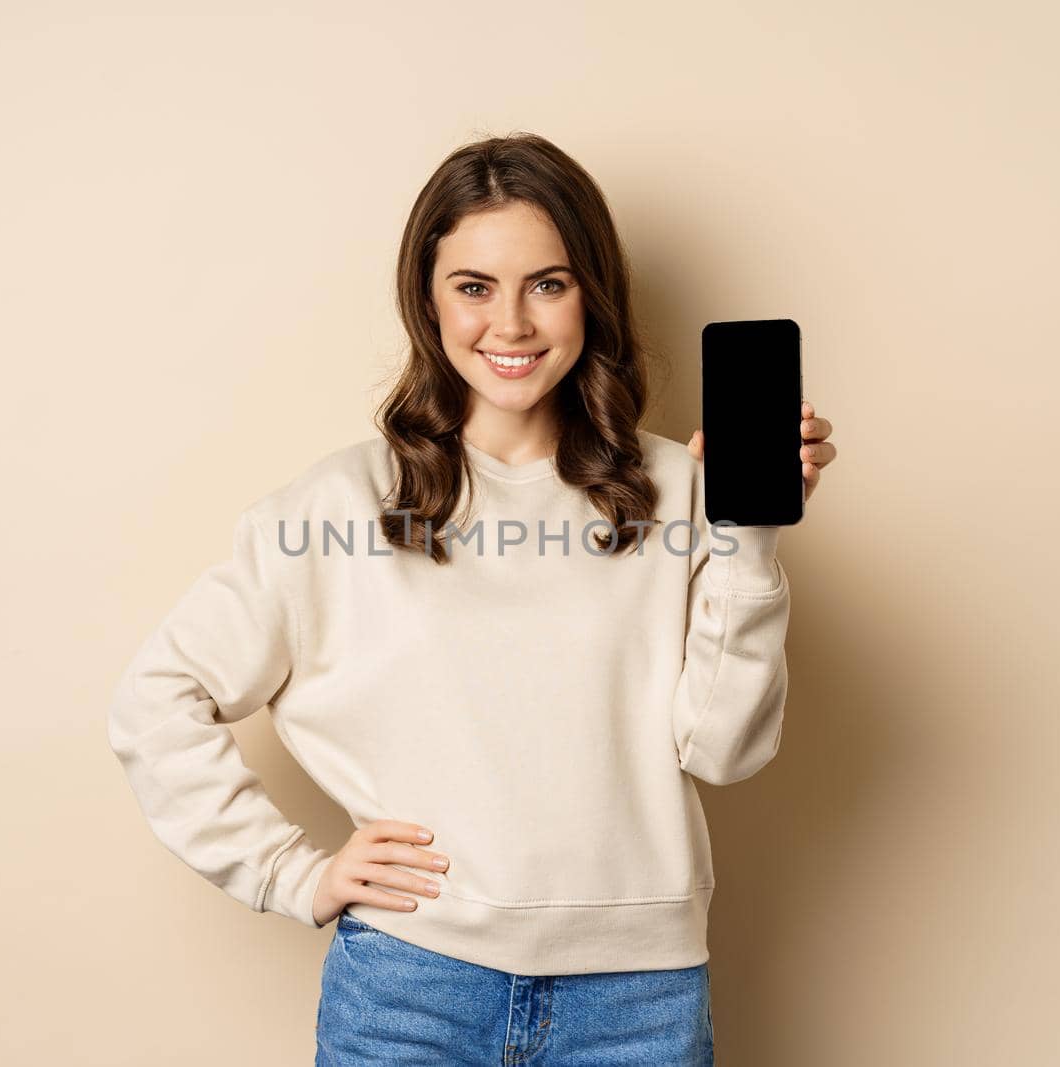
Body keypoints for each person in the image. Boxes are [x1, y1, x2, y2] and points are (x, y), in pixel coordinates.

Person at [107, 131, 838, 1066]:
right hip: (410, 989)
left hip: (639, 1002)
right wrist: (291, 872)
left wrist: (749, 537)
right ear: (428, 298)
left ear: (593, 293)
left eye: (548, 282)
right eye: (474, 286)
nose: (513, 325)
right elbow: (154, 701)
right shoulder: (336, 507)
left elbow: (726, 750)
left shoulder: (682, 489)